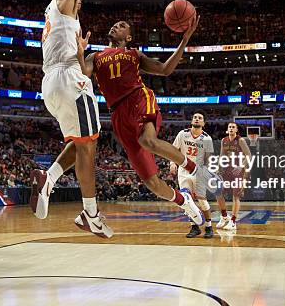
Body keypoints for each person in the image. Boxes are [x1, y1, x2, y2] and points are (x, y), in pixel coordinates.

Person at [30, 0, 119, 239]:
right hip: (69, 80)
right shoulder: (65, 0)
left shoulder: (55, 21)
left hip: (52, 83)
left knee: (82, 141)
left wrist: (80, 52)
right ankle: (91, 214)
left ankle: (49, 178)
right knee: (89, 148)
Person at [76, 19, 204, 226]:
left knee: (148, 141)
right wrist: (80, 52)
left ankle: (194, 168)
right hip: (117, 113)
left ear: (128, 37)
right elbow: (82, 76)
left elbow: (164, 69)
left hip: (138, 98)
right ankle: (184, 201)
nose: (115, 26)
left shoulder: (134, 54)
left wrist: (185, 41)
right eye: (114, 24)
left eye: (121, 25)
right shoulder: (95, 56)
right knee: (151, 183)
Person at [169, 110, 215, 238]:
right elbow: (173, 150)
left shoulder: (207, 138)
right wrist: (172, 163)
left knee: (202, 201)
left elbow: (208, 159)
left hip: (198, 172)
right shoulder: (182, 134)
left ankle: (209, 227)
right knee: (186, 201)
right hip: (183, 170)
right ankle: (194, 227)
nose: (196, 119)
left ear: (203, 123)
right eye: (194, 117)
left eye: (199, 118)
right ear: (191, 121)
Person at [215, 122, 251, 231]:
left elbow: (249, 155)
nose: (231, 128)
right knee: (218, 193)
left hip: (237, 171)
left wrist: (241, 167)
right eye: (229, 127)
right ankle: (224, 216)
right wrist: (218, 167)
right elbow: (222, 156)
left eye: (233, 127)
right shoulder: (223, 141)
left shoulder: (240, 140)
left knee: (236, 196)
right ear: (227, 129)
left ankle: (233, 221)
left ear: (236, 130)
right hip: (226, 171)